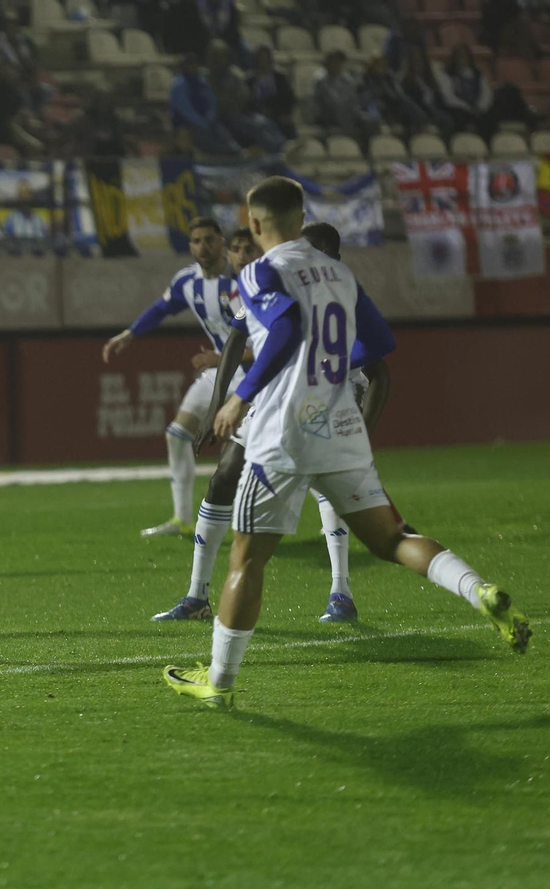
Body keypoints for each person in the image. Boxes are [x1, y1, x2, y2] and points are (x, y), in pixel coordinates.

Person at [163, 178, 531, 709]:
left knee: (247, 559)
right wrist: (326, 371)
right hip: (339, 426)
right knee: (392, 538)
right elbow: (380, 343)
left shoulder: (258, 272)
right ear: (301, 216)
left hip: (281, 435)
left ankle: (218, 682)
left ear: (256, 222)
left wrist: (239, 397)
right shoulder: (339, 272)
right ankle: (480, 592)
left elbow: (285, 329)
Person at [152, 223, 396, 623]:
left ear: (332, 259)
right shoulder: (280, 279)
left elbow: (380, 371)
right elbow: (235, 337)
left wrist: (363, 435)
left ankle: (341, 593)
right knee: (223, 477)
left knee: (330, 493)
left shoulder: (344, 293)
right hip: (274, 402)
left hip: (329, 404)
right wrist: (221, 402)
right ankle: (196, 596)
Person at [101, 217, 239, 538]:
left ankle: (323, 510)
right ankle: (182, 520)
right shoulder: (186, 282)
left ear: (221, 242)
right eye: (196, 241)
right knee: (178, 435)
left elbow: (261, 340)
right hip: (218, 372)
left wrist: (218, 358)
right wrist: (129, 334)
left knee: (262, 448)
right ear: (189, 246)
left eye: (209, 240)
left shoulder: (241, 282)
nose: (203, 247)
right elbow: (161, 309)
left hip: (252, 372)